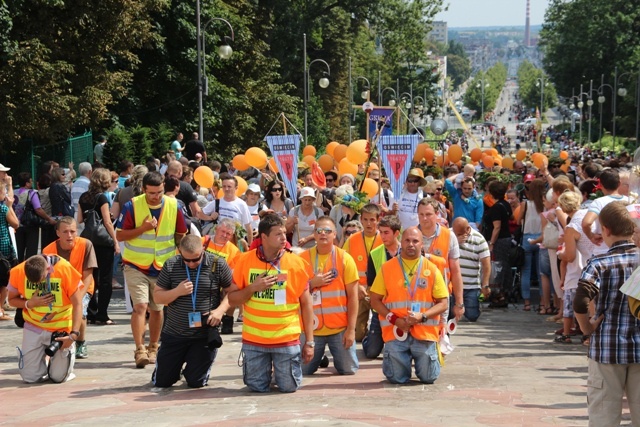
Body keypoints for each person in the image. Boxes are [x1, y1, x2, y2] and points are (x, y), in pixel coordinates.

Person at [227, 213, 315, 393]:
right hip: (254, 340)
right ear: (264, 237)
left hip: (286, 339)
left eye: (284, 233)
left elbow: (306, 304)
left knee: (289, 387)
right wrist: (252, 288)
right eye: (278, 234)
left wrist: (310, 342)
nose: (284, 238)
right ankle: (267, 372)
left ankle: (280, 373)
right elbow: (232, 299)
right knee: (256, 388)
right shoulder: (245, 260)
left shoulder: (296, 262)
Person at [573, 202, 640, 426]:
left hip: (607, 349)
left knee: (604, 415)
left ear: (606, 230)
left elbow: (581, 300)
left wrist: (586, 328)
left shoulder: (600, 264)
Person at [116, 171, 188, 368]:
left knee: (157, 309)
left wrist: (184, 259)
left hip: (163, 266)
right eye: (152, 193)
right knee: (140, 306)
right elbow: (120, 235)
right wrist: (144, 228)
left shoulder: (174, 205)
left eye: (160, 192)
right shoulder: (132, 205)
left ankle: (154, 347)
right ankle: (139, 349)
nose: (156, 196)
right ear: (144, 190)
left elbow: (181, 235)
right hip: (135, 265)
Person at [369, 227, 448, 384]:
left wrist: (422, 316)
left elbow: (444, 303)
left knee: (428, 378)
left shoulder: (431, 269)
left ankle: (431, 354)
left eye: (415, 241)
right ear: (401, 243)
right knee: (396, 378)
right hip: (396, 332)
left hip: (424, 332)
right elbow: (374, 300)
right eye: (407, 240)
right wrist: (394, 319)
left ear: (422, 244)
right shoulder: (387, 268)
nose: (411, 244)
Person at [152, 234, 232, 388]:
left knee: (196, 382)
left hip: (203, 334)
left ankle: (194, 369)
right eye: (186, 259)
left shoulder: (217, 264)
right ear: (179, 252)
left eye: (196, 259)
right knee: (162, 382)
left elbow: (232, 292)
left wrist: (220, 311)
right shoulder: (171, 265)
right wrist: (177, 291)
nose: (191, 264)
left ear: (203, 249)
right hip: (175, 333)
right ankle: (170, 368)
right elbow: (157, 297)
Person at [8, 254, 83, 383]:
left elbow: (78, 304)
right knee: (30, 378)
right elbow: (11, 300)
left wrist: (73, 335)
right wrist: (29, 303)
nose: (38, 284)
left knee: (59, 377)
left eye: (41, 280)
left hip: (61, 329)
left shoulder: (64, 268)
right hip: (34, 326)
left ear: (48, 269)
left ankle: (60, 365)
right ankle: (42, 364)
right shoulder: (18, 271)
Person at [299, 217, 359, 375]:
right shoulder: (301, 260)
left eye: (328, 231)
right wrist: (311, 284)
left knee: (349, 370)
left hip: (339, 328)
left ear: (334, 234)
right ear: (314, 234)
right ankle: (320, 357)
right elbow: (294, 293)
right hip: (310, 329)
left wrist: (351, 330)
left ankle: (324, 356)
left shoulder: (345, 258)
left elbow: (353, 297)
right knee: (302, 370)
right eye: (319, 231)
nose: (323, 234)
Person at [42, 217, 97, 359]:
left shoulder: (86, 245)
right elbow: (46, 277)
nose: (69, 235)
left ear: (77, 231)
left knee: (80, 311)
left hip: (82, 287)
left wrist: (78, 296)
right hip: (59, 289)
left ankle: (80, 342)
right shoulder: (48, 250)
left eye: (73, 231)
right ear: (58, 233)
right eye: (65, 232)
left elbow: (88, 275)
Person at [78, 168, 119, 326]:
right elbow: (107, 222)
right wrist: (115, 241)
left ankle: (90, 312)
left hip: (88, 241)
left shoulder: (83, 197)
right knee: (106, 279)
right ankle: (102, 314)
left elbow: (80, 219)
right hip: (103, 242)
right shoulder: (102, 197)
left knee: (90, 277)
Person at [417, 197, 465, 320]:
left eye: (428, 214)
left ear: (437, 214)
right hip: (416, 295)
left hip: (441, 296)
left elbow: (455, 271)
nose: (424, 218)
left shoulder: (449, 236)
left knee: (441, 334)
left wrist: (459, 303)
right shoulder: (411, 234)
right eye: (421, 214)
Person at [363, 215, 401, 359]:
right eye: (381, 232)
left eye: (386, 232)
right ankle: (370, 337)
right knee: (371, 352)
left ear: (396, 233)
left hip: (403, 309)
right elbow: (371, 286)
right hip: (382, 310)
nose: (383, 236)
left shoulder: (408, 250)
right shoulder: (375, 254)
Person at [343, 204, 383, 342]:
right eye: (365, 220)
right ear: (361, 219)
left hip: (379, 293)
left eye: (372, 220)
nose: (368, 223)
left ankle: (374, 337)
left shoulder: (384, 239)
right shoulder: (352, 239)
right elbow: (344, 265)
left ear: (378, 220)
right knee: (358, 336)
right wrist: (358, 285)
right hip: (359, 292)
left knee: (382, 332)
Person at [202, 218, 241, 333]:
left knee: (234, 290)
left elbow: (233, 272)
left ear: (232, 235)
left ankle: (228, 319)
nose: (224, 235)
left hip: (221, 280)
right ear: (216, 229)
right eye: (222, 231)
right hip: (200, 278)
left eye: (228, 234)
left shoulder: (234, 251)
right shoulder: (203, 241)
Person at [582, 169, 629, 254]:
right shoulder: (630, 201)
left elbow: (586, 223)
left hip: (603, 251)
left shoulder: (598, 202)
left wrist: (591, 236)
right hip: (627, 249)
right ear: (619, 184)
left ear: (600, 185)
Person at [452, 217, 490, 321]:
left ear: (468, 230)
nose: (457, 236)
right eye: (455, 233)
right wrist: (455, 242)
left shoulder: (479, 239)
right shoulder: (449, 235)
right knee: (450, 315)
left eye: (459, 234)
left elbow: (486, 264)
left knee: (472, 316)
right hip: (452, 285)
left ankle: (474, 306)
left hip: (471, 285)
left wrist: (485, 284)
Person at [516, 177, 545, 311]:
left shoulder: (525, 204)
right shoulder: (545, 204)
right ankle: (542, 302)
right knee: (542, 273)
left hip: (527, 238)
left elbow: (517, 220)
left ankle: (527, 302)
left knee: (525, 271)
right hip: (542, 238)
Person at [482, 180, 512, 304]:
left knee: (498, 267)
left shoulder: (496, 208)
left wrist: (491, 243)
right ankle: (503, 291)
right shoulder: (506, 204)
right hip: (506, 238)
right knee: (504, 265)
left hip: (499, 240)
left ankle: (499, 293)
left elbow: (497, 227)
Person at [203, 173, 253, 244]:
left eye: (229, 186)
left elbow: (248, 226)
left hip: (235, 243)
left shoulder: (242, 204)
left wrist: (250, 245)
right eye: (224, 186)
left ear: (236, 188)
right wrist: (210, 217)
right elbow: (199, 213)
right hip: (218, 241)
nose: (226, 189)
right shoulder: (217, 202)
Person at [0, 176, 18, 321]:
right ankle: (0, 310)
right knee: (4, 279)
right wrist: (10, 206)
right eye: (3, 192)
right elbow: (16, 223)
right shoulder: (3, 208)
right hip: (3, 246)